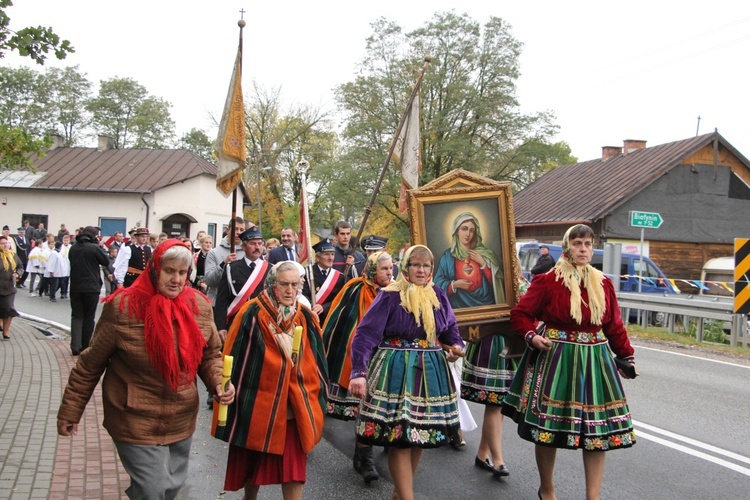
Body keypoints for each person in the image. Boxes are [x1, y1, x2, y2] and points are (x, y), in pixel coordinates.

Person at [57, 239, 235, 499]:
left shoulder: (199, 306)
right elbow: (88, 365)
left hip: (181, 416)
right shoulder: (123, 307)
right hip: (134, 416)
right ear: (155, 270)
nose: (176, 279)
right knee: (152, 490)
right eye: (169, 271)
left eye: (182, 273)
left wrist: (218, 383)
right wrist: (70, 412)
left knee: (172, 489)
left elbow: (210, 355)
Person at [501, 224, 638, 500]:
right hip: (557, 359)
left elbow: (613, 324)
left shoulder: (603, 283)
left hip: (595, 360)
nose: (583, 249)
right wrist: (531, 336)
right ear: (567, 247)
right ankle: (547, 489)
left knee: (597, 433)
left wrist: (625, 356)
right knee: (548, 430)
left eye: (587, 244)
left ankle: (593, 496)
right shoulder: (548, 281)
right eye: (577, 244)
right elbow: (520, 315)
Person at [349, 245, 464, 500]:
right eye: (415, 264)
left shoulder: (438, 294)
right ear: (406, 267)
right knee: (400, 436)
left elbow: (450, 329)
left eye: (426, 265)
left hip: (430, 369)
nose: (421, 270)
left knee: (418, 434)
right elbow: (366, 334)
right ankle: (407, 497)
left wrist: (457, 346)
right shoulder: (390, 295)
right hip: (396, 369)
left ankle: (400, 494)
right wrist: (358, 371)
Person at [212, 261, 328, 500]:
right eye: (284, 284)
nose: (289, 290)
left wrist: (314, 392)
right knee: (250, 464)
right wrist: (226, 388)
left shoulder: (305, 316)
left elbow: (317, 361)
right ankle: (249, 497)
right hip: (256, 403)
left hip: (293, 403)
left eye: (295, 285)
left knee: (294, 470)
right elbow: (232, 354)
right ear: (272, 284)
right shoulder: (251, 313)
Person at [321, 251, 393, 484]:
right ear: (372, 270)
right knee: (367, 406)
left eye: (391, 268)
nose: (389, 272)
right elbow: (340, 323)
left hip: (389, 358)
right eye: (384, 269)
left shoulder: (396, 291)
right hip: (361, 359)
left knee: (387, 405)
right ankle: (365, 457)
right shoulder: (354, 288)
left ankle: (390, 442)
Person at [433, 211, 505, 309]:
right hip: (457, 305)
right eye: (464, 229)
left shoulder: (485, 254)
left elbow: (498, 284)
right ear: (457, 231)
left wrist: (483, 263)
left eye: (472, 230)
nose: (468, 234)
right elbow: (437, 282)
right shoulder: (447, 256)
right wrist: (454, 285)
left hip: (486, 305)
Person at [214, 227, 270, 337]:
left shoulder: (270, 269)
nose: (257, 247)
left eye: (259, 243)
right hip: (237, 323)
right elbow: (222, 300)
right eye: (253, 244)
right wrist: (220, 326)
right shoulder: (231, 268)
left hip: (262, 324)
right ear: (243, 247)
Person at [68, 226, 110, 355]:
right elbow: (106, 261)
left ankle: (75, 345)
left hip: (75, 286)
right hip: (91, 287)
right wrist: (100, 246)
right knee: (89, 317)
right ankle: (85, 345)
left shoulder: (73, 248)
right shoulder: (94, 248)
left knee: (76, 315)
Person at [204, 217, 246, 307]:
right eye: (235, 229)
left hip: (240, 304)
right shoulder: (214, 253)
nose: (238, 232)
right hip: (217, 303)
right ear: (228, 230)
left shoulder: (247, 252)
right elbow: (209, 280)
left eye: (241, 229)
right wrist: (224, 264)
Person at [301, 239, 346, 325]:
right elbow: (303, 295)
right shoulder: (307, 273)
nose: (330, 258)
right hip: (310, 317)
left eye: (332, 254)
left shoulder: (339, 277)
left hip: (329, 319)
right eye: (326, 254)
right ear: (317, 258)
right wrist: (311, 307)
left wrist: (324, 307)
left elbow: (340, 299)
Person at [0, 235, 23, 340]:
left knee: (9, 309)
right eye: (2, 243)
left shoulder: (13, 256)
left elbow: (20, 267)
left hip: (9, 288)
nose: (5, 245)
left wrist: (17, 274)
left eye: (6, 243)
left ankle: (6, 331)